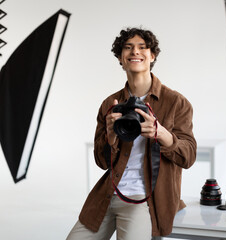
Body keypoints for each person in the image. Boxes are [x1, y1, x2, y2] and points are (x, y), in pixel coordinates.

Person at [67, 27, 197, 240]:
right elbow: (101, 161)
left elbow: (189, 156)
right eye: (128, 48)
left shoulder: (175, 102)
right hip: (108, 194)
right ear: (120, 58)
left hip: (143, 199)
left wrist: (162, 134)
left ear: (152, 55)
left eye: (142, 47)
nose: (135, 52)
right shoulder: (110, 104)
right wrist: (110, 137)